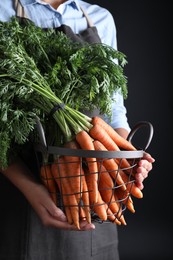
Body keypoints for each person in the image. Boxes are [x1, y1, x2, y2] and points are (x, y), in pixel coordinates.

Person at [0, 1, 155, 260]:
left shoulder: (99, 18)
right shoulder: (3, 10)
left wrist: (125, 157)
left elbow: (113, 109)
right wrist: (30, 188)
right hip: (22, 188)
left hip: (97, 199)